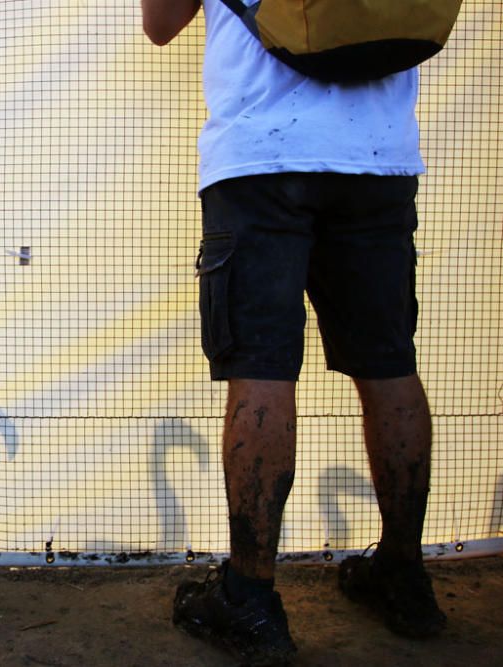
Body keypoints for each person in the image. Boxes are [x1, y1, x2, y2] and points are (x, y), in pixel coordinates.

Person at [140, 1, 447, 664]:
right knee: (389, 364)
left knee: (262, 366)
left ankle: (249, 599)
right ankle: (404, 577)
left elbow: (160, 22)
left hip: (261, 155)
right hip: (379, 155)